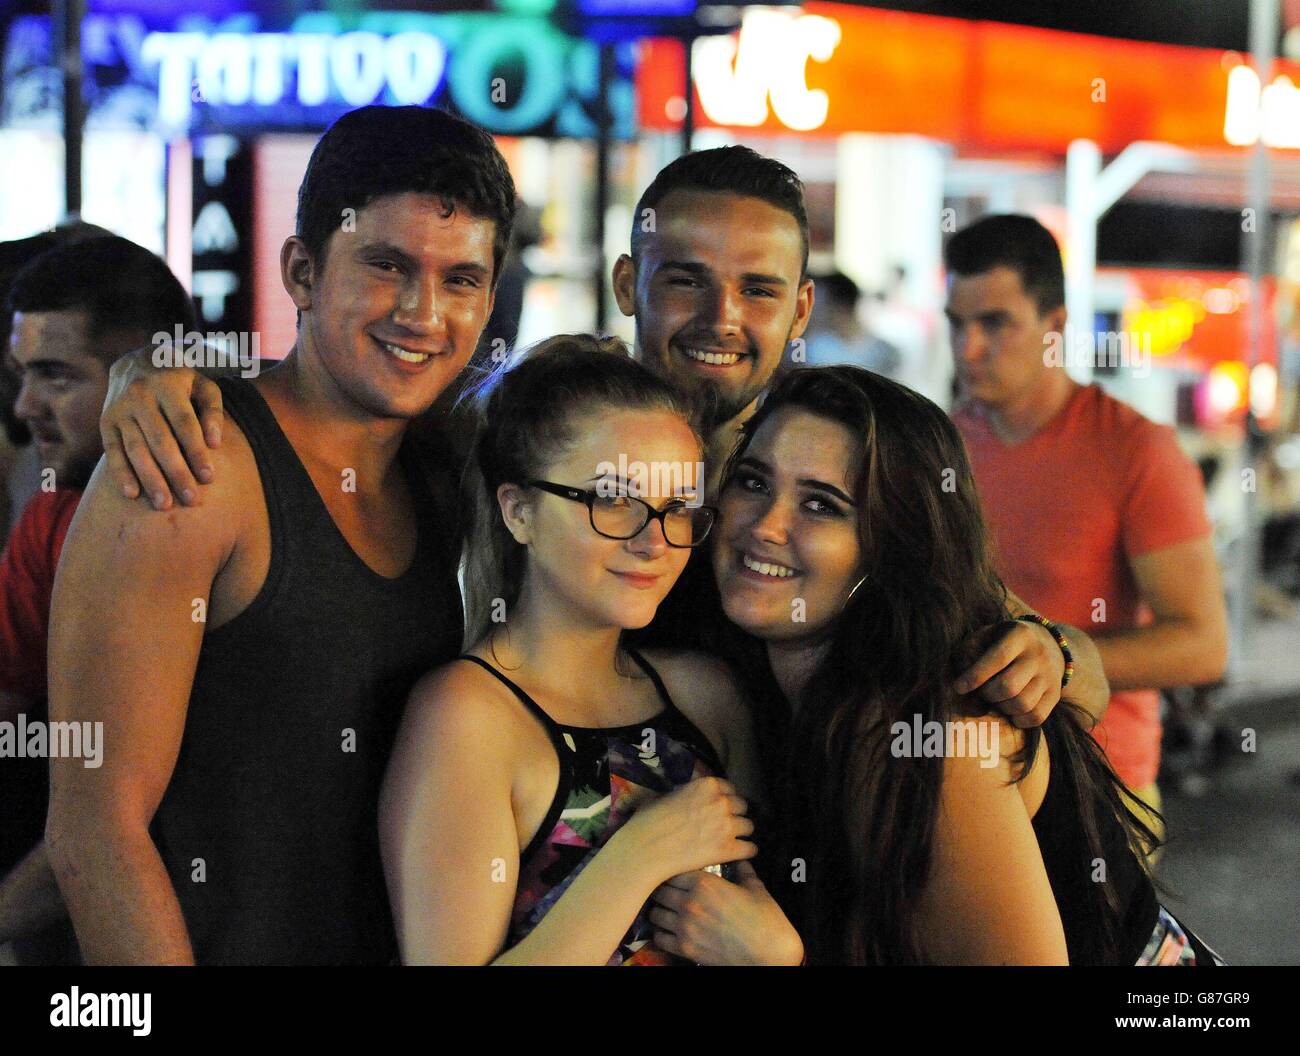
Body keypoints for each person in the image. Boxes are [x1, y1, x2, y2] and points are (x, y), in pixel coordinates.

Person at [43, 105, 517, 964]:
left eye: (460, 281)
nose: (422, 313)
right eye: (386, 265)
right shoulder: (193, 463)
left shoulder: (454, 471)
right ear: (301, 270)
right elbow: (95, 832)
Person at [651, 366, 1222, 965]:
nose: (765, 526)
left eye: (821, 505)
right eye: (753, 482)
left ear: (891, 545)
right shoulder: (775, 675)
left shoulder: (917, 729)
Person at [379, 336, 797, 965]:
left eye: (677, 508)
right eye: (614, 500)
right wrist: (637, 856)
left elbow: (754, 927)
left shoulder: (707, 694)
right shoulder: (467, 717)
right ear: (518, 511)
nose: (654, 541)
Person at [943, 215, 1229, 849]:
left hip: (1099, 790)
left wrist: (1062, 659)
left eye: (994, 323)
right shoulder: (945, 443)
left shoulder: (1135, 449)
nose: (968, 348)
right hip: (972, 781)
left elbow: (1203, 644)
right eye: (956, 323)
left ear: (1056, 327)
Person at [0, 235, 196, 964]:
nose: (25, 408)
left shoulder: (219, 502)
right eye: (20, 375)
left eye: (54, 376)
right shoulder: (50, 518)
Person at [797, 271, 902, 377]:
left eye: (817, 305)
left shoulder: (886, 354)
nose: (811, 313)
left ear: (840, 308)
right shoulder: (811, 349)